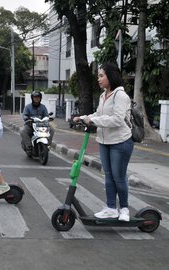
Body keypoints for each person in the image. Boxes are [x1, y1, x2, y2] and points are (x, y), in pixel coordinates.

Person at [73, 63, 133, 222]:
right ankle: (111, 208)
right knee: (108, 176)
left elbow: (117, 119)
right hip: (104, 141)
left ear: (111, 76)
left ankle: (125, 209)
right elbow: (98, 114)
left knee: (118, 177)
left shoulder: (120, 96)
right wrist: (84, 117)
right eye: (98, 76)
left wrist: (93, 120)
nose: (98, 79)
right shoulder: (103, 95)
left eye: (101, 76)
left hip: (120, 142)